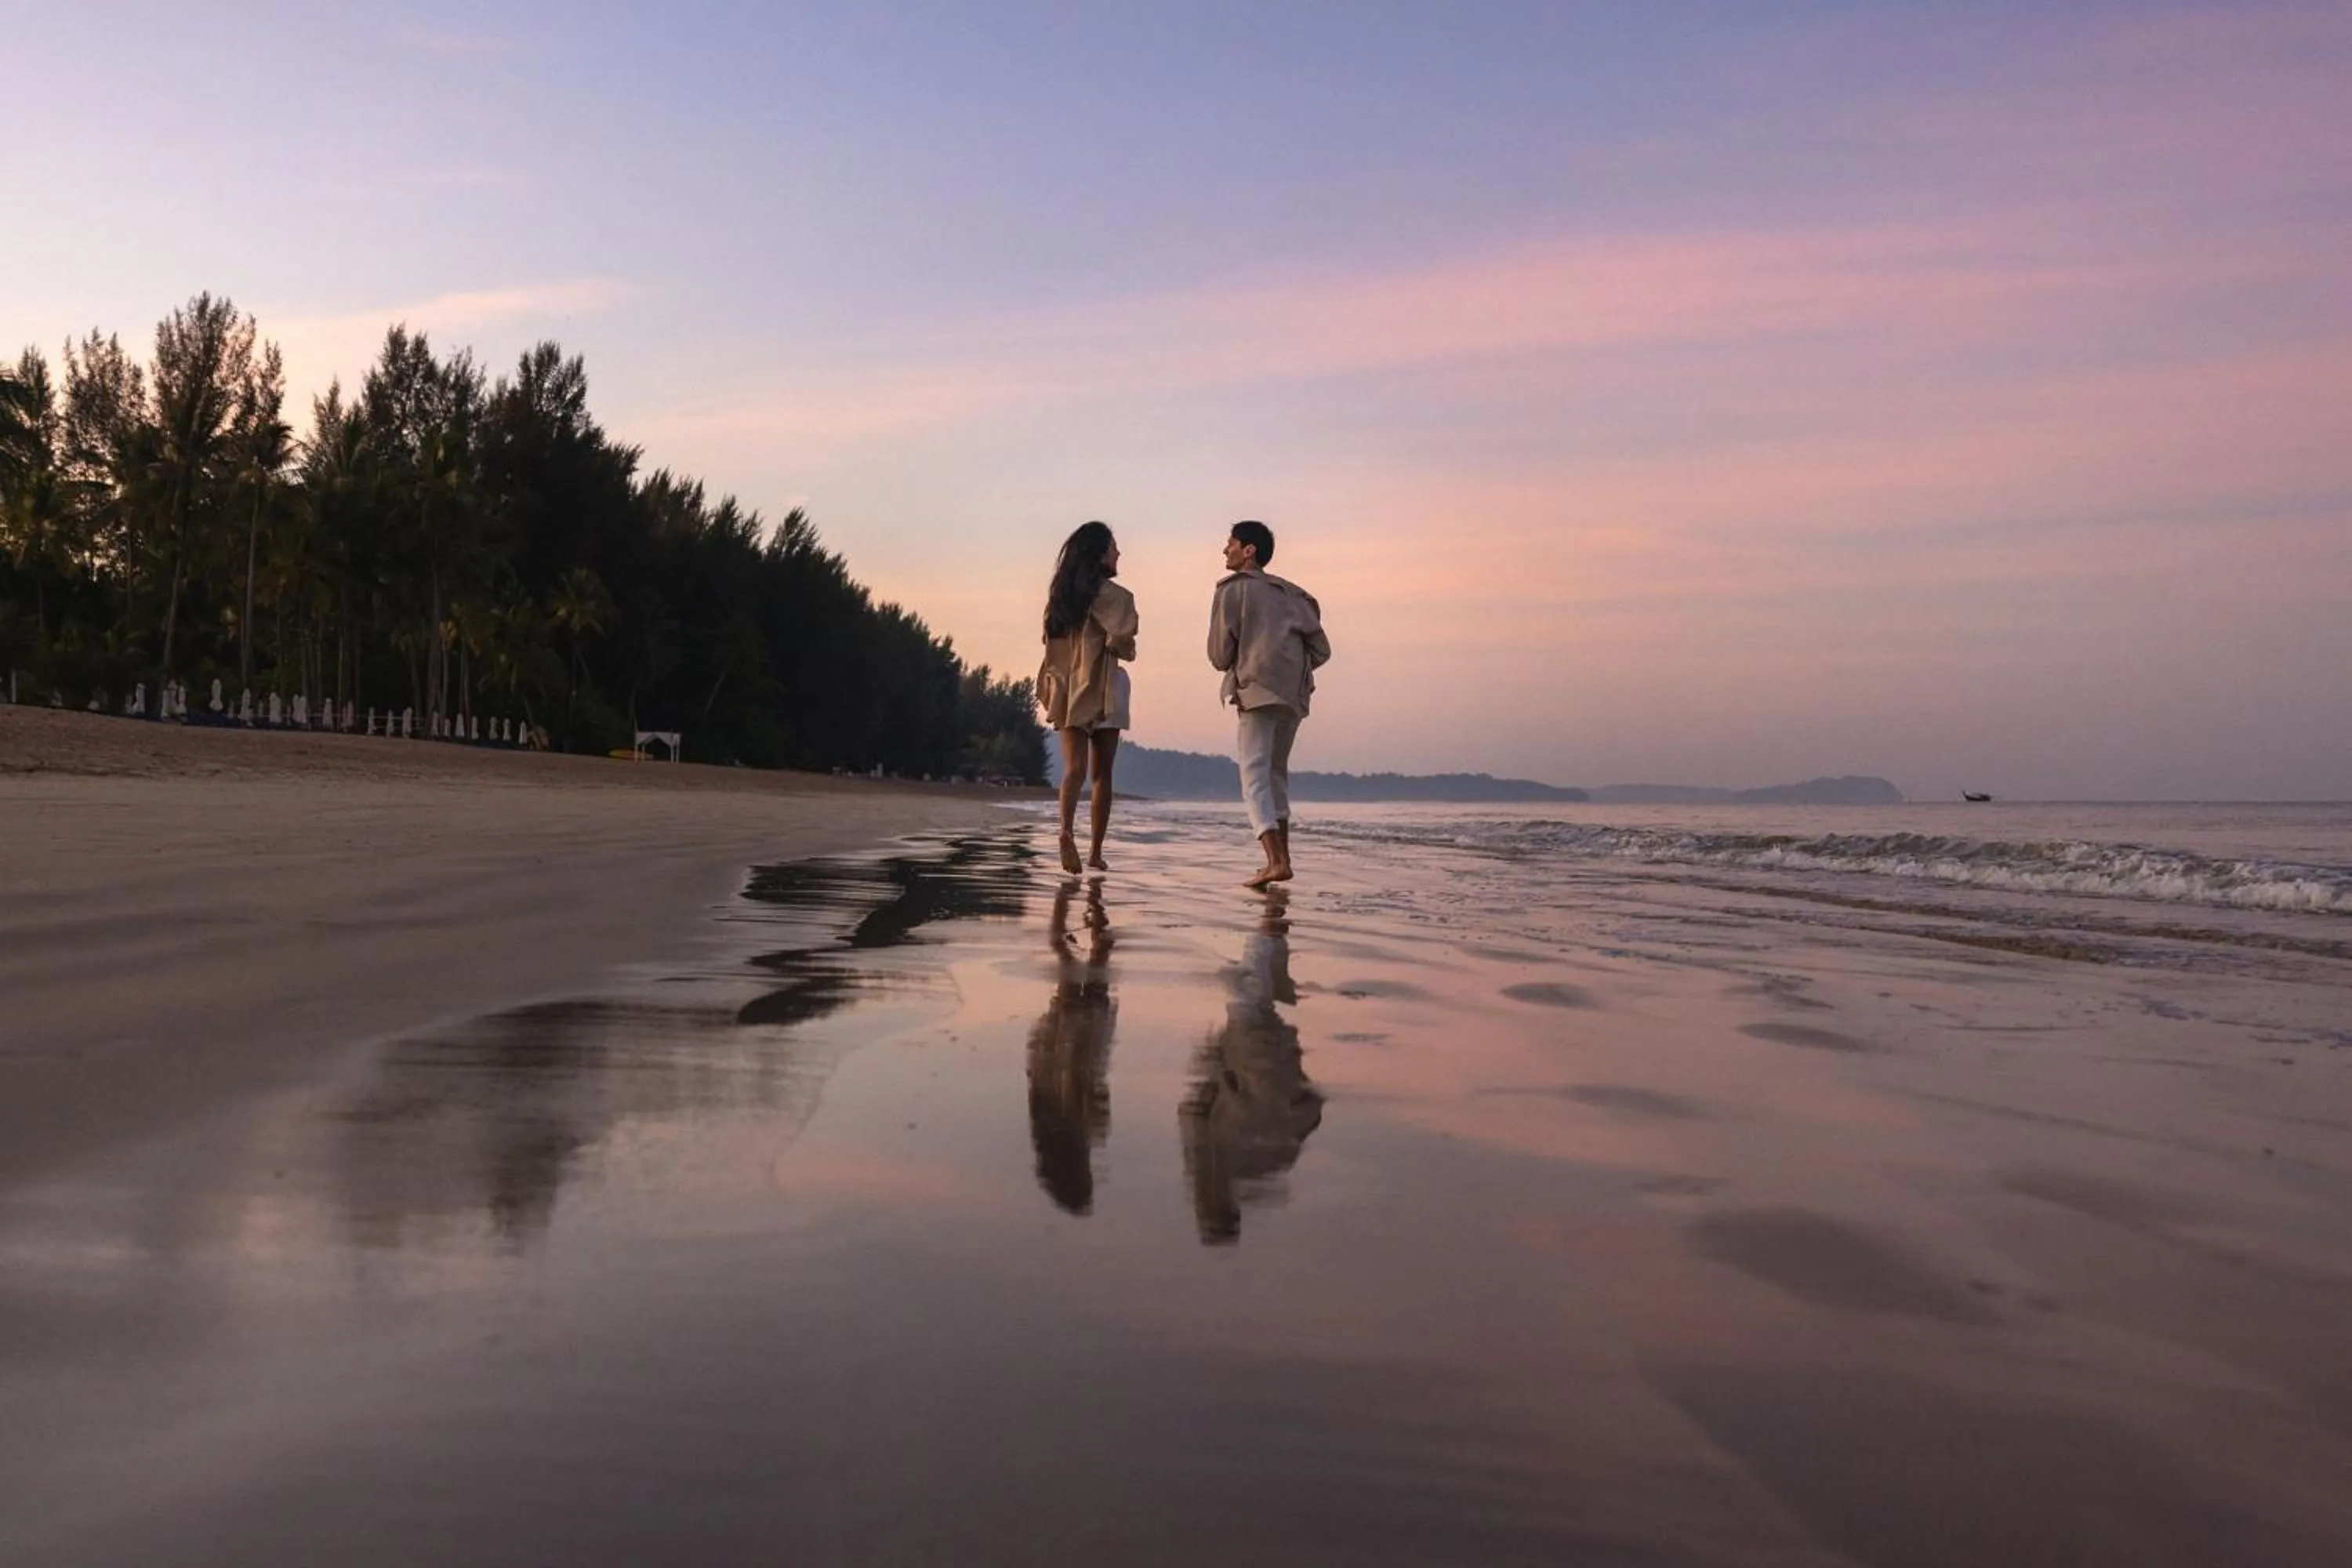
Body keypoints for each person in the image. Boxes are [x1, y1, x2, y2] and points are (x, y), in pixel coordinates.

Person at [1206, 520, 1330, 887]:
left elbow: (1218, 655)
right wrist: (1291, 669)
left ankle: (1276, 861)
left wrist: (1251, 661)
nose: (1224, 550)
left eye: (1230, 543)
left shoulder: (1232, 591)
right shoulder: (1296, 596)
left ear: (1249, 551)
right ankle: (1282, 860)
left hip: (1256, 692)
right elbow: (1322, 650)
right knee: (1276, 777)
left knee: (1254, 778)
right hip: (1292, 696)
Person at [1037, 520, 1138, 874]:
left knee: (1074, 769)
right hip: (1107, 686)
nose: (1118, 553)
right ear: (1099, 554)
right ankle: (1095, 852)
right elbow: (1124, 645)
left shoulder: (1060, 599)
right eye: (1113, 547)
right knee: (1102, 775)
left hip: (1068, 688)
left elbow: (1050, 644)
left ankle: (1066, 830)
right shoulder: (1119, 598)